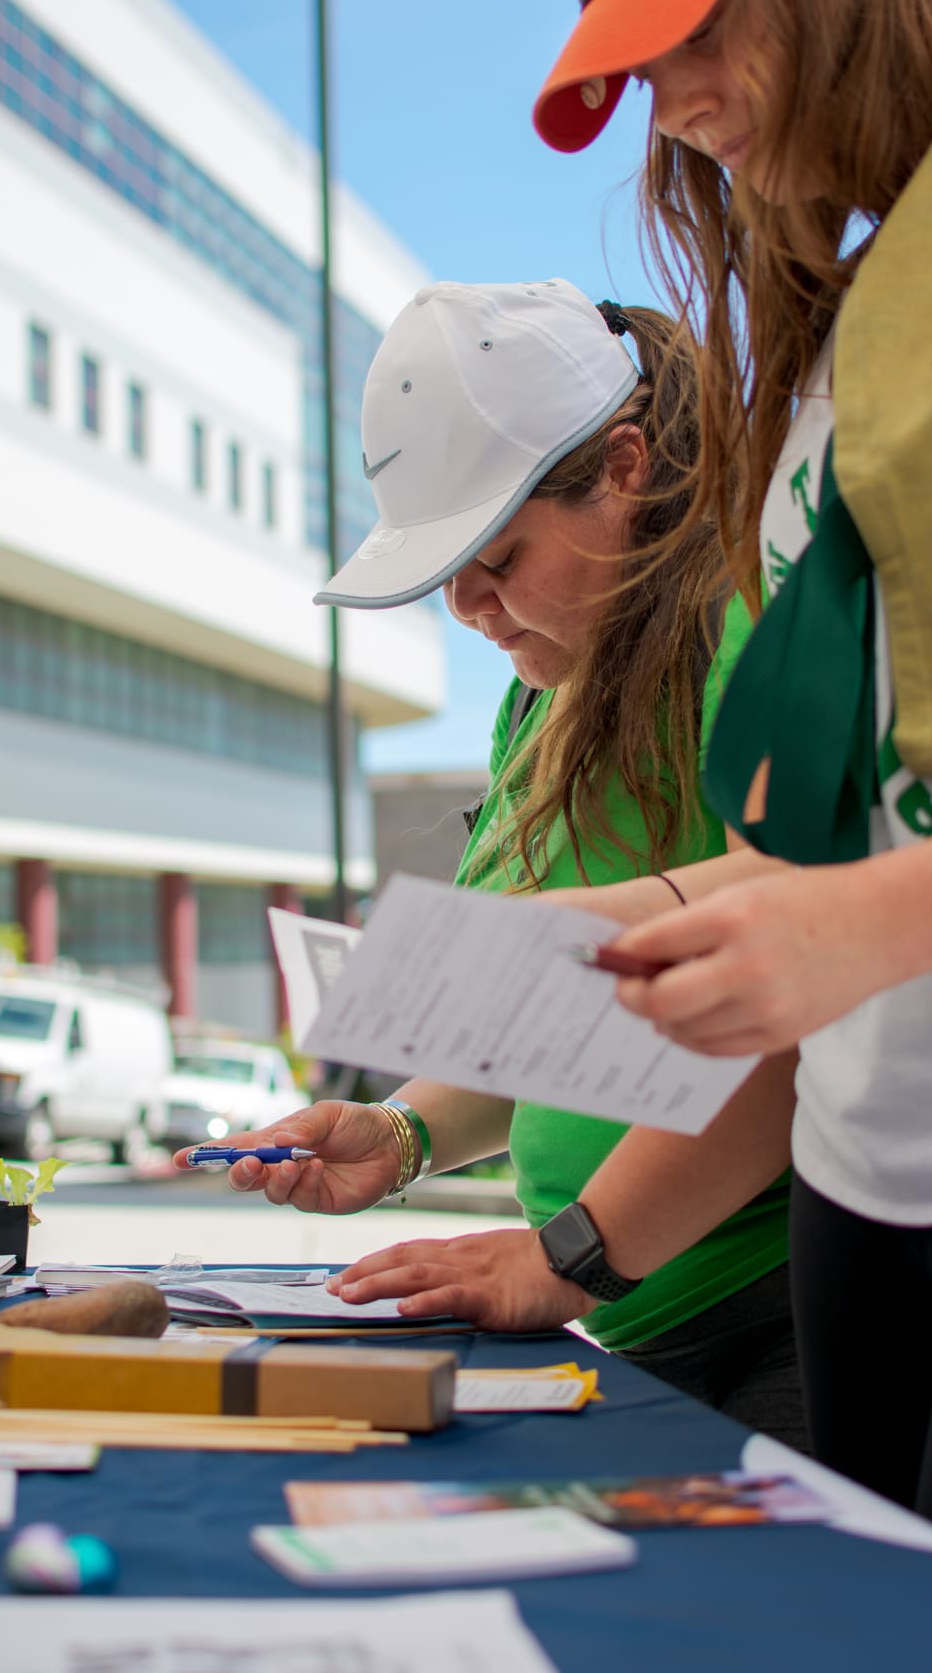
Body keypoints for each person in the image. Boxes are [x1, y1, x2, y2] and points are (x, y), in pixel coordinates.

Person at [532, 0, 932, 1567]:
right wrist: (549, 946)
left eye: (681, 36)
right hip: (867, 1173)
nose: (666, 110)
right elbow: (827, 839)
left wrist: (845, 926)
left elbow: (858, 889)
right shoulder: (834, 346)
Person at [177, 277, 807, 1447]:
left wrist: (571, 1256)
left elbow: (789, 1002)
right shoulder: (543, 695)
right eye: (444, 572)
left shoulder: (748, 619)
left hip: (774, 1308)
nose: (468, 605)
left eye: (498, 555)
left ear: (626, 464)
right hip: (627, 1309)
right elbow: (543, 1036)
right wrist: (405, 1134)